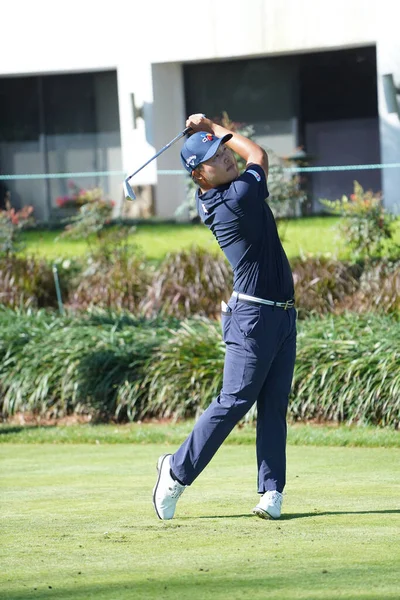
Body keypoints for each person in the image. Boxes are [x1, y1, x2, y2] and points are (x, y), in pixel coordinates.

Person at [153, 113, 296, 520]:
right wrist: (211, 125)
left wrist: (209, 134)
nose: (227, 158)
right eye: (216, 156)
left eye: (222, 151)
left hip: (282, 316)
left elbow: (246, 157)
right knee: (235, 400)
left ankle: (271, 491)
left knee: (273, 406)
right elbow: (257, 152)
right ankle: (176, 472)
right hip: (252, 318)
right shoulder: (236, 198)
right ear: (200, 176)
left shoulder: (224, 191)